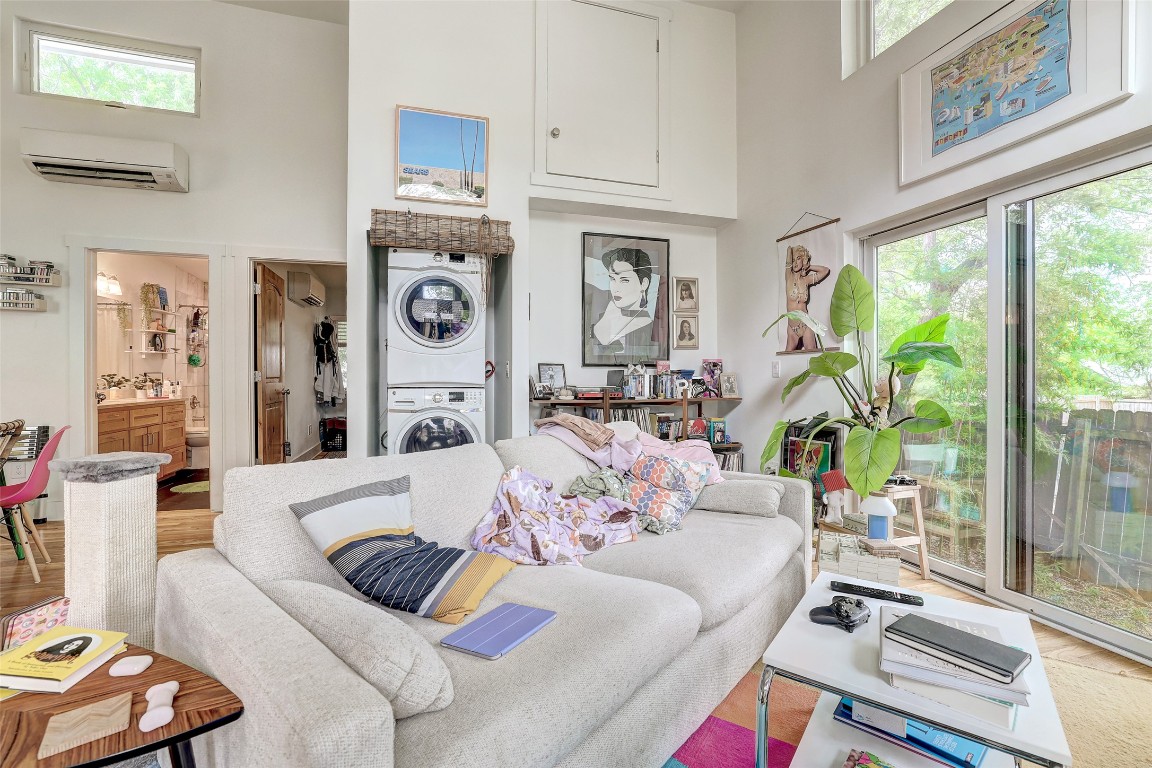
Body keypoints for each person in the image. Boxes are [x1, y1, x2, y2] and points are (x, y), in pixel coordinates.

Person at [589, 248, 661, 360]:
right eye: (612, 279)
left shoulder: (650, 326)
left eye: (624, 280)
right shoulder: (607, 317)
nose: (615, 288)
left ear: (644, 284)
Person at [785, 244, 830, 351]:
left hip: (805, 324)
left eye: (798, 259)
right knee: (785, 357)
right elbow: (788, 252)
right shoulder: (788, 277)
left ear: (803, 260)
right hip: (792, 327)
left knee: (812, 355)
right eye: (793, 260)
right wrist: (790, 251)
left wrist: (809, 267)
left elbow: (825, 270)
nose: (795, 262)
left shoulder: (806, 280)